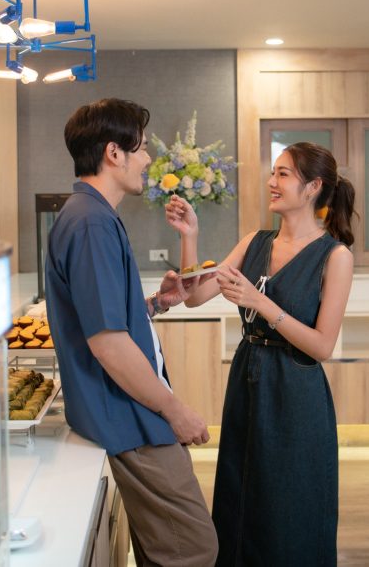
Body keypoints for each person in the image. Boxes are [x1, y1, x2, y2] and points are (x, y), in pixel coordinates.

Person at [45, 98, 219, 567]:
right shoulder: (90, 223)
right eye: (140, 148)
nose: (146, 160)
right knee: (194, 550)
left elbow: (102, 318)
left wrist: (157, 303)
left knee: (165, 549)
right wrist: (174, 408)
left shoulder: (91, 216)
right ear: (113, 153)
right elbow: (107, 343)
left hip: (126, 411)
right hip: (131, 416)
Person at [165, 141, 356, 566]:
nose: (272, 181)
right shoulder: (254, 241)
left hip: (296, 388)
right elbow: (196, 297)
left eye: (284, 174)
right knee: (240, 491)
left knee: (288, 503)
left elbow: (322, 345)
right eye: (274, 172)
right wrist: (190, 237)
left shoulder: (336, 256)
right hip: (248, 376)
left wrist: (262, 302)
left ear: (313, 188)